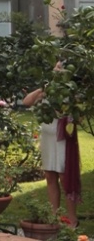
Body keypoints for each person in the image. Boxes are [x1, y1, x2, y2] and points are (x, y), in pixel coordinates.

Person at [24, 78, 80, 226]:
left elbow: (76, 113)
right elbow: (26, 102)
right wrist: (43, 89)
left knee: (65, 177)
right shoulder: (46, 92)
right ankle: (54, 217)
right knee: (50, 175)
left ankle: (72, 220)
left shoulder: (68, 91)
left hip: (63, 138)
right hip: (48, 139)